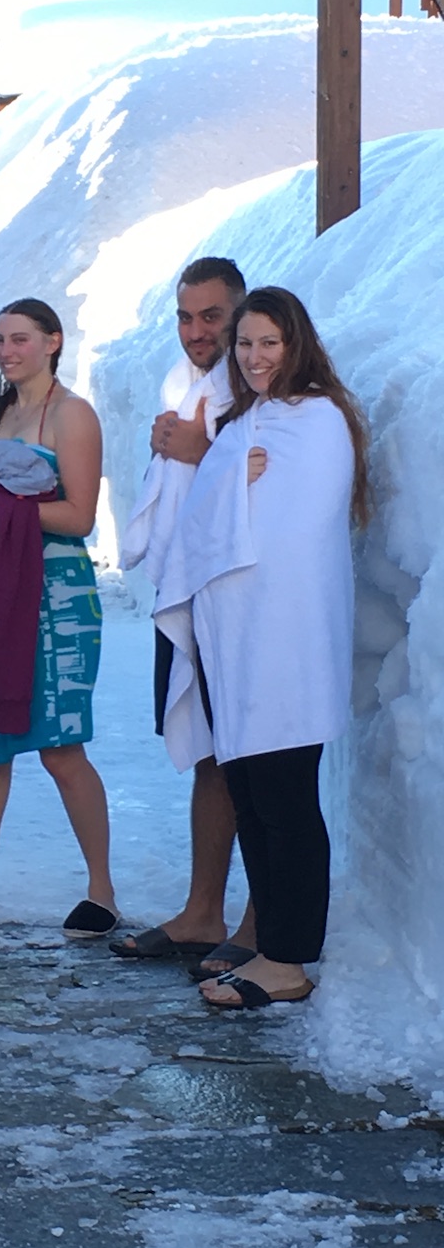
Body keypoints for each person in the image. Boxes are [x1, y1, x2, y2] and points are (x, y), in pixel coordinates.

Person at [155, 287, 370, 1008]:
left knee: (286, 801)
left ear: (296, 343)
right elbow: (211, 511)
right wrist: (224, 475)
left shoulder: (318, 421)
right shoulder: (253, 421)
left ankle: (290, 958)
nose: (254, 357)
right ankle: (268, 946)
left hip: (286, 642)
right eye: (244, 344)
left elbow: (289, 531)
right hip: (238, 643)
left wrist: (220, 478)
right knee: (250, 798)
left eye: (268, 343)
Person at [0, 299, 117, 937]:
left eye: (21, 339)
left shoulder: (73, 416)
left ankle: (102, 890)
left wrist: (1, 503)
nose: (8, 351)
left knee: (61, 745)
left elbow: (80, 517)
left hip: (54, 591)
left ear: (53, 341)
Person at [111, 258, 257, 976]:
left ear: (242, 314)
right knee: (207, 751)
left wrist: (207, 451)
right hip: (189, 588)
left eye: (212, 317)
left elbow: (275, 479)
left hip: (244, 601)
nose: (197, 332)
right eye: (186, 317)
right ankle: (204, 909)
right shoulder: (188, 387)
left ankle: (264, 921)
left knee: (255, 758)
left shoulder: (263, 385)